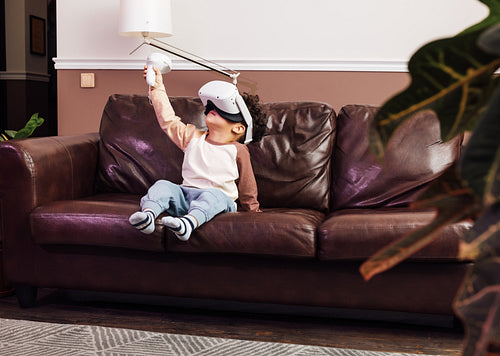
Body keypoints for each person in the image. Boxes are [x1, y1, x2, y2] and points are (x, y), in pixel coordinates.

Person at [129, 66, 266, 241]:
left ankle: (188, 223)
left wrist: (253, 212)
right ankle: (148, 216)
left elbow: (248, 185)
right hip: (185, 196)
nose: (211, 108)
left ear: (239, 128)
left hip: (218, 203)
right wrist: (157, 89)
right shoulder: (192, 137)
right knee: (162, 185)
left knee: (213, 195)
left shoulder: (238, 150)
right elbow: (167, 120)